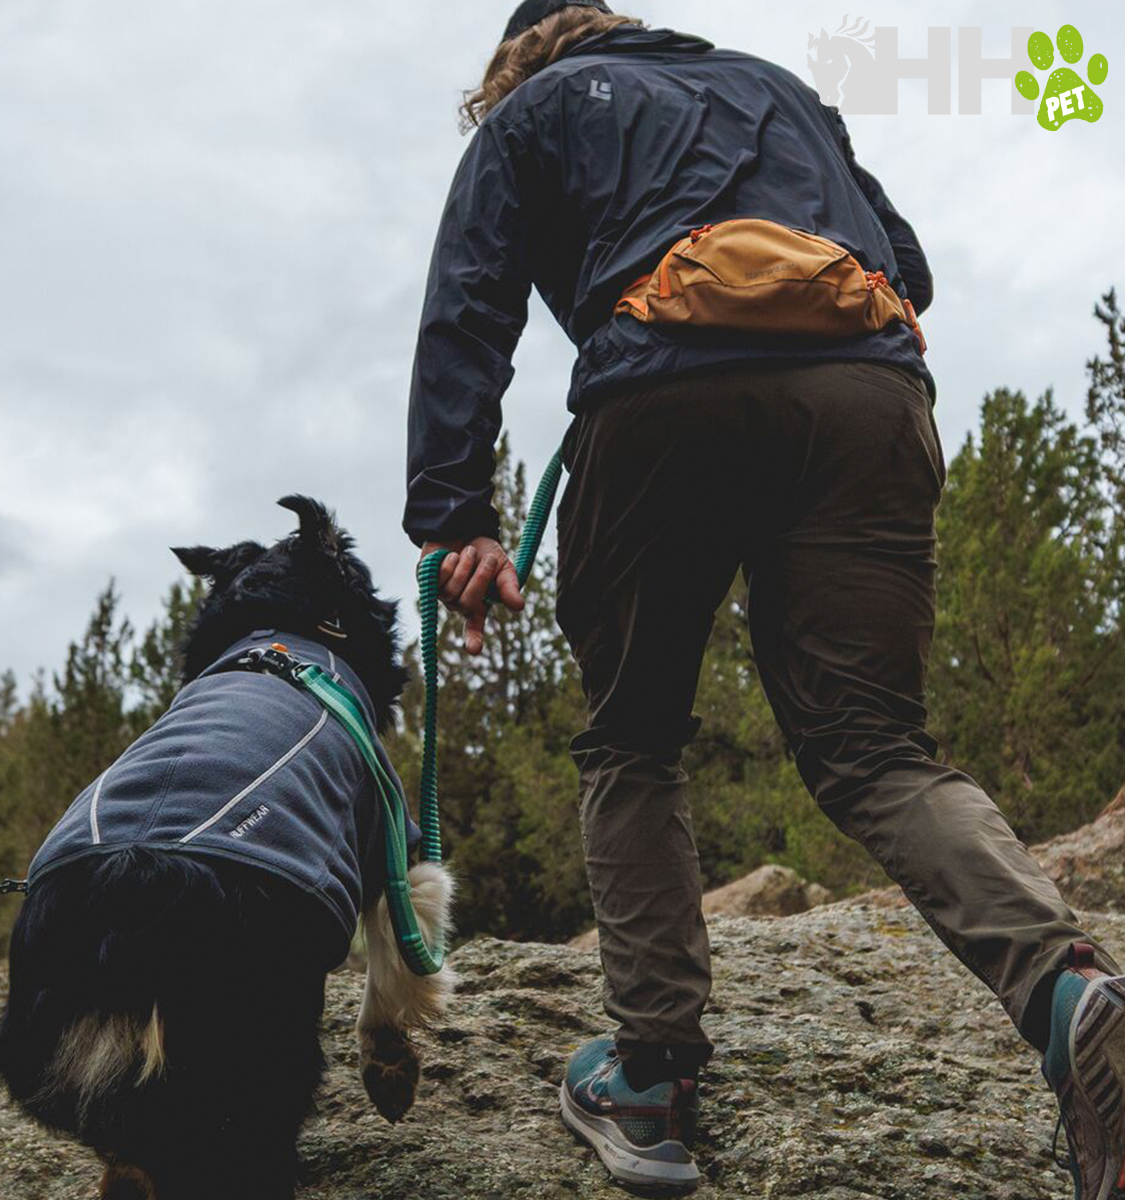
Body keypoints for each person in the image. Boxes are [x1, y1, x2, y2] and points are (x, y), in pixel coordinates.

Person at [403, 2, 1125, 1193]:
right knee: (877, 749)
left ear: (518, 62)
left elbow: (467, 307)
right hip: (865, 395)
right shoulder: (773, 85)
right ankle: (1071, 991)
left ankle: (652, 1075)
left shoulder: (533, 113)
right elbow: (910, 268)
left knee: (633, 740)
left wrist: (455, 516)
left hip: (661, 399)